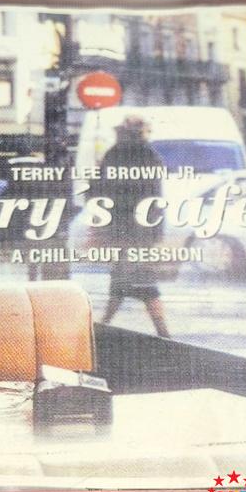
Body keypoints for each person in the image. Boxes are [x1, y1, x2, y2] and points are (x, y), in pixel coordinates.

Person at [95, 116, 170, 338]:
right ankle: (106, 325)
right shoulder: (151, 156)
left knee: (130, 277)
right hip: (143, 229)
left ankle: (105, 326)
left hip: (121, 228)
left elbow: (99, 191)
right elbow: (156, 196)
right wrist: (157, 231)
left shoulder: (113, 154)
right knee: (133, 277)